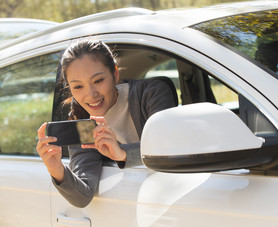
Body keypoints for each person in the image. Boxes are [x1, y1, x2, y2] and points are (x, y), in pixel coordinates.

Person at [36, 39, 177, 208]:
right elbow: (83, 196)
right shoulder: (82, 122)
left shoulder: (151, 93)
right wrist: (57, 170)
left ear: (115, 75)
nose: (91, 95)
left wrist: (122, 153)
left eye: (98, 81)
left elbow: (169, 149)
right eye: (78, 87)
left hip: (175, 196)